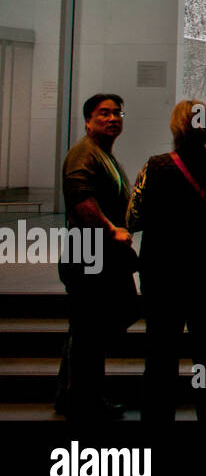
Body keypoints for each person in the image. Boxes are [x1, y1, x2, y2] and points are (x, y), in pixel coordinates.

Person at [127, 99, 206, 420]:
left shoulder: (154, 167)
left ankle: (157, 417)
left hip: (162, 274)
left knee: (160, 355)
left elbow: (131, 217)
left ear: (176, 127)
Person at [55, 93, 139, 420]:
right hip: (89, 252)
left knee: (89, 328)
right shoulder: (83, 155)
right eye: (104, 113)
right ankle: (84, 400)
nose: (113, 118)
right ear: (88, 120)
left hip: (99, 253)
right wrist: (111, 230)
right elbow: (82, 201)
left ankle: (74, 394)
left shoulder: (102, 154)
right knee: (93, 328)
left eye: (117, 112)